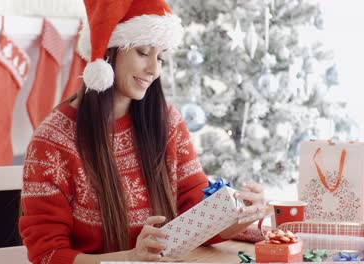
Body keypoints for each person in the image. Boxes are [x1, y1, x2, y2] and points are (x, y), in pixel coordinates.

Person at [19, 0, 267, 263]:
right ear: (107, 52)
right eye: (142, 52)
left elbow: (197, 216)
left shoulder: (167, 122)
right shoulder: (52, 142)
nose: (154, 69)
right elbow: (48, 255)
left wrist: (239, 214)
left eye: (159, 57)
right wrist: (131, 258)